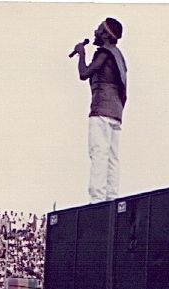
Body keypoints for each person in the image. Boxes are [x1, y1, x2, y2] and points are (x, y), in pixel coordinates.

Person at [73, 17, 127, 203]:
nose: (94, 33)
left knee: (99, 153)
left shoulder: (103, 53)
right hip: (116, 113)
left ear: (105, 34)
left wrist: (81, 54)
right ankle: (111, 197)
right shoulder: (119, 56)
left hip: (101, 110)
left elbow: (84, 73)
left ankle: (97, 199)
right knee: (112, 157)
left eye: (97, 30)